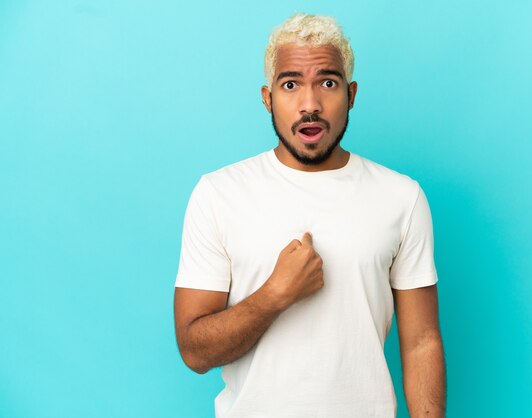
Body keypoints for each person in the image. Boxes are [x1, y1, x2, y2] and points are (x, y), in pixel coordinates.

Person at [173, 12, 446, 418]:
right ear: (267, 97)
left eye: (328, 83)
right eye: (290, 84)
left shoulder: (401, 197)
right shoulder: (218, 194)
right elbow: (195, 351)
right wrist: (275, 295)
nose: (310, 104)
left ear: (351, 94)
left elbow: (422, 341)